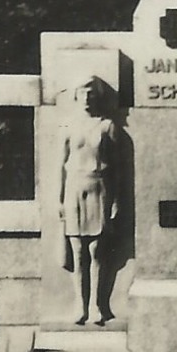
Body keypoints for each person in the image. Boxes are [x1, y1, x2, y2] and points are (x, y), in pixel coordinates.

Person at [57, 77, 119, 325]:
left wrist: (116, 201)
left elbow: (117, 168)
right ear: (75, 95)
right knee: (77, 250)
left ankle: (97, 305)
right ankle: (80, 306)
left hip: (99, 187)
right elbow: (59, 166)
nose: (86, 98)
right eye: (82, 92)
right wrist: (58, 199)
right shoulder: (68, 126)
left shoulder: (107, 126)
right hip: (74, 188)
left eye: (91, 93)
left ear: (98, 96)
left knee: (96, 251)